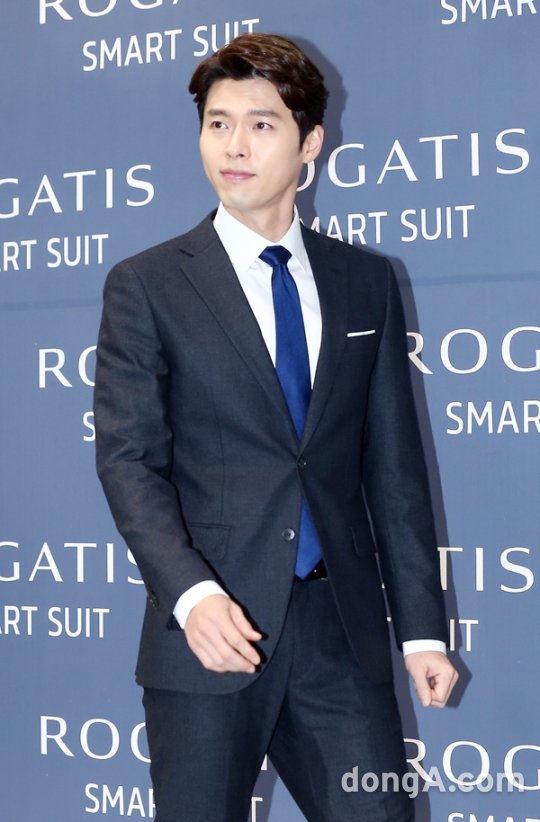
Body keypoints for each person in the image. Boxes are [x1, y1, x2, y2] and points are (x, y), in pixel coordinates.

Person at [94, 32, 458, 822]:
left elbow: (393, 469)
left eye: (261, 124)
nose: (234, 146)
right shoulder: (147, 285)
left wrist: (422, 633)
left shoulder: (366, 281)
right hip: (209, 634)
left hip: (340, 634)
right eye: (217, 123)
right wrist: (191, 595)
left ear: (310, 142)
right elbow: (128, 461)